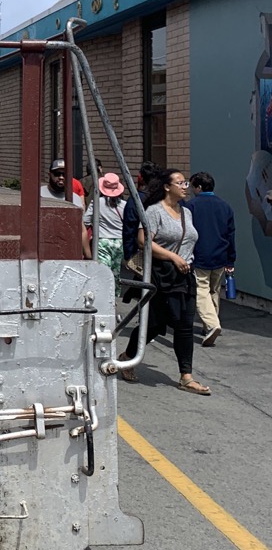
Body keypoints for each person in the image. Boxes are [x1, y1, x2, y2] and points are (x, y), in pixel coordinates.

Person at [118, 168, 210, 394]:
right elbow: (143, 241)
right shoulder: (154, 211)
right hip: (162, 276)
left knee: (185, 325)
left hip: (185, 277)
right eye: (179, 183)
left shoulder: (186, 212)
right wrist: (173, 256)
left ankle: (186, 377)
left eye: (186, 182)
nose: (185, 186)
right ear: (167, 187)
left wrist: (185, 260)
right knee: (155, 324)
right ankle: (127, 357)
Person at [188, 171, 236, 347]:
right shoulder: (225, 206)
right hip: (220, 256)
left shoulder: (191, 206)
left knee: (201, 290)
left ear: (199, 187)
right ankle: (210, 324)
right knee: (214, 290)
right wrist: (231, 260)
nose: (191, 189)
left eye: (192, 186)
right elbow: (231, 234)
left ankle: (212, 324)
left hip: (200, 255)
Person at [41, 159, 90, 257]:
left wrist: (88, 256)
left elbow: (81, 229)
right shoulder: (39, 194)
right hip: (45, 252)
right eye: (57, 174)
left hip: (68, 253)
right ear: (49, 174)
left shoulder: (75, 198)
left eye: (64, 174)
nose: (61, 177)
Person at [85, 172, 125, 274]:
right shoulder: (124, 205)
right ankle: (116, 290)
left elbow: (85, 221)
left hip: (102, 240)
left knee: (103, 273)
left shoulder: (96, 203)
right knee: (116, 273)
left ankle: (104, 290)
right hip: (119, 242)